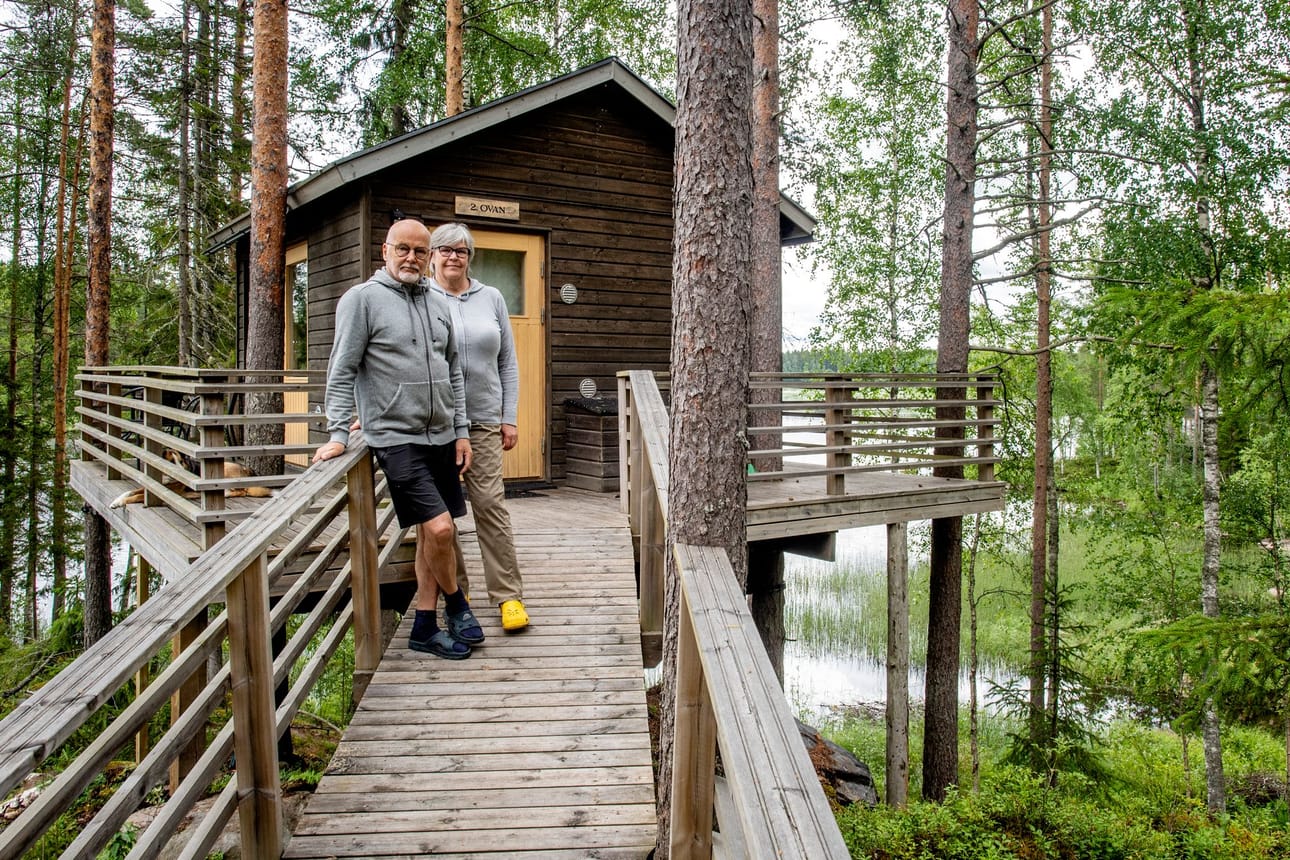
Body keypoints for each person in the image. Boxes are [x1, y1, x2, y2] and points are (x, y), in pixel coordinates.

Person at [313, 218, 485, 660]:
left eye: (419, 251)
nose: (411, 258)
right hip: (395, 438)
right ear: (385, 251)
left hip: (442, 436)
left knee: (434, 537)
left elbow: (453, 375)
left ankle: (424, 627)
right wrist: (337, 432)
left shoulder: (437, 302)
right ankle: (457, 603)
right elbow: (342, 370)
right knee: (441, 527)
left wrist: (461, 431)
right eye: (402, 249)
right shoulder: (362, 300)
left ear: (428, 257)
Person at [428, 222, 530, 632]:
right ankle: (458, 593)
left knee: (489, 505)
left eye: (462, 251)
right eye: (446, 250)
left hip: (485, 419)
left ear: (470, 257)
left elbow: (507, 361)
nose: (454, 257)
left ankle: (507, 596)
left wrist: (509, 415)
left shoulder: (491, 297)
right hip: (435, 421)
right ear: (433, 255)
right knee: (445, 513)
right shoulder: (422, 297)